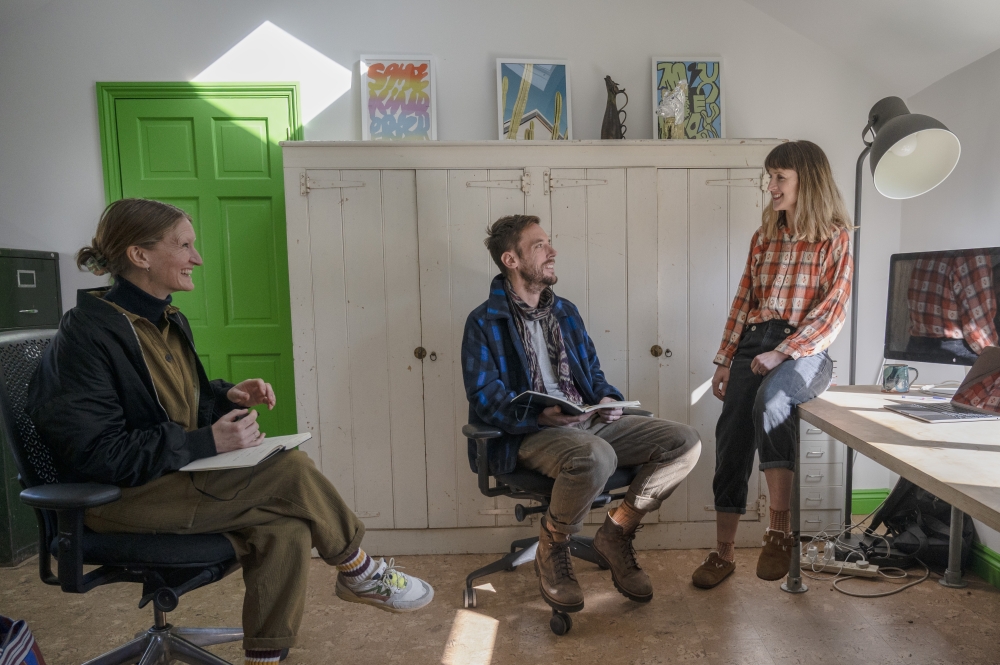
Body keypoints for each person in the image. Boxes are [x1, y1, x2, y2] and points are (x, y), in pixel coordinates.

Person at [27, 199, 433, 664]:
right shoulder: (87, 337)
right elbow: (95, 453)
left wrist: (225, 397)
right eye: (183, 245)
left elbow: (178, 406)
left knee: (287, 528)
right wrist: (207, 441)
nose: (196, 258)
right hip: (115, 499)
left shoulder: (167, 320)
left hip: (168, 480)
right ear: (140, 255)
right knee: (291, 469)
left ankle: (265, 657)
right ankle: (358, 570)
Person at [462, 214, 702, 614]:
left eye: (548, 242)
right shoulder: (484, 321)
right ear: (511, 259)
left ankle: (617, 532)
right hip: (529, 433)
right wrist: (541, 417)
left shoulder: (566, 313)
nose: (552, 252)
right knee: (596, 456)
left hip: (586, 422)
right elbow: (486, 399)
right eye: (539, 246)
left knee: (684, 442)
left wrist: (607, 401)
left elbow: (593, 375)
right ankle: (553, 545)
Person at [691, 140, 854, 589]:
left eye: (780, 177)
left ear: (808, 180)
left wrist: (782, 352)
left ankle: (779, 532)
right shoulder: (764, 236)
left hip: (806, 351)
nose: (772, 186)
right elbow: (745, 301)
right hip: (753, 343)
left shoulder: (836, 236)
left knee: (773, 400)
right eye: (771, 177)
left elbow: (832, 312)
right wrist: (727, 359)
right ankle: (723, 554)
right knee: (732, 436)